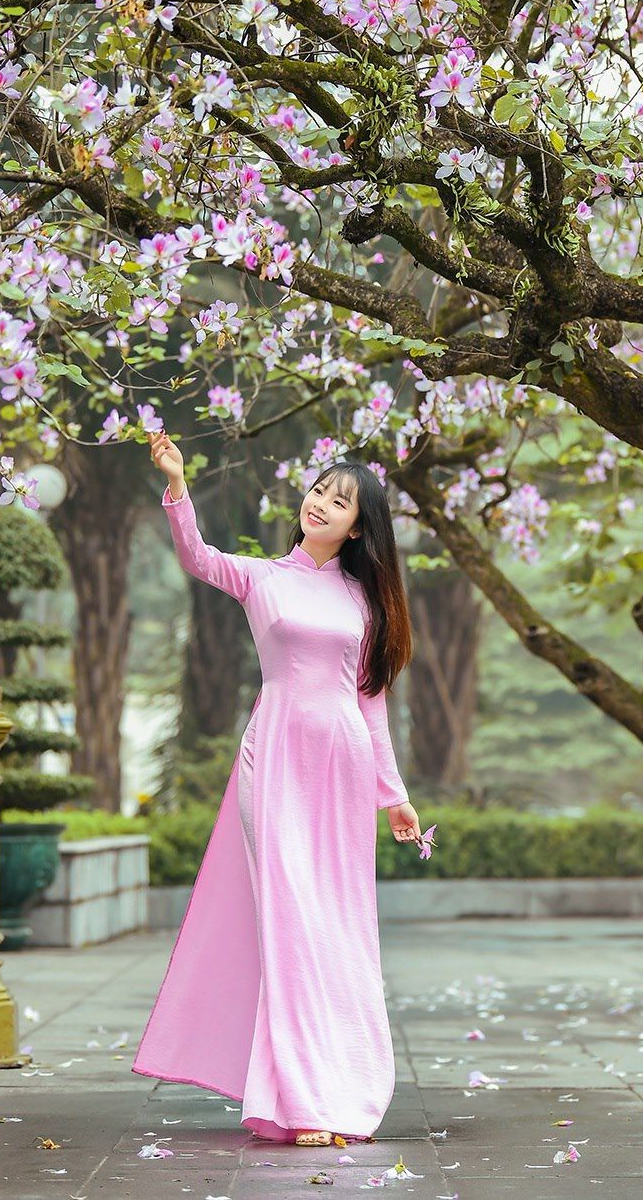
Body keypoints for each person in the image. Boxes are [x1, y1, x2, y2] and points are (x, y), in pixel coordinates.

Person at [132, 430, 423, 1148]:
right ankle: (299, 1100)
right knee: (288, 922)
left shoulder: (364, 599)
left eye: (341, 501)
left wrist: (396, 795)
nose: (321, 503)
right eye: (320, 490)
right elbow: (197, 558)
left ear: (360, 525)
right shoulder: (262, 576)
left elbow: (371, 704)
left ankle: (336, 1088)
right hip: (277, 757)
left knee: (335, 929)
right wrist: (176, 484)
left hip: (344, 768)